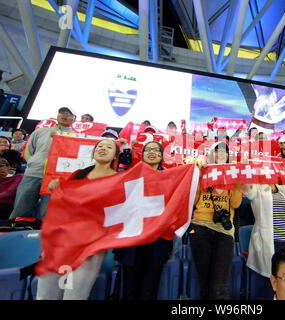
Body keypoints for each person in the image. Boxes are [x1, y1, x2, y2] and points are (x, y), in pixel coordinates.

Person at [36, 139, 120, 300]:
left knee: (75, 294)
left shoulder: (119, 179)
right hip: (61, 241)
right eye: (100, 146)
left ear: (115, 155)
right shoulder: (78, 174)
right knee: (46, 293)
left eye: (109, 147)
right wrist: (57, 189)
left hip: (91, 244)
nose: (103, 149)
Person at [113, 141, 173, 300]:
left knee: (150, 288)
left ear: (161, 156)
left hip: (157, 240)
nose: (151, 152)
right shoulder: (130, 175)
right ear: (143, 154)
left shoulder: (171, 177)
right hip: (132, 239)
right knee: (129, 288)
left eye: (156, 150)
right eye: (148, 150)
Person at [189, 142, 243, 300]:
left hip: (223, 231)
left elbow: (235, 204)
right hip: (200, 227)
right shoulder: (203, 171)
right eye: (217, 151)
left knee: (220, 285)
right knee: (204, 282)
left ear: (228, 157)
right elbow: (193, 201)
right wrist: (198, 176)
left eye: (224, 152)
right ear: (211, 155)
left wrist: (237, 181)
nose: (220, 154)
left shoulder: (233, 175)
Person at [9, 107, 75, 220]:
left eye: (69, 114)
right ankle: (13, 228)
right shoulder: (40, 131)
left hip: (56, 178)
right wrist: (32, 162)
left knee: (47, 212)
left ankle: (40, 234)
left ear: (74, 119)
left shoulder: (76, 137)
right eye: (62, 112)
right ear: (57, 116)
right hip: (33, 173)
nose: (64, 115)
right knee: (21, 206)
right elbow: (28, 150)